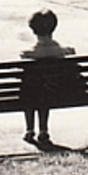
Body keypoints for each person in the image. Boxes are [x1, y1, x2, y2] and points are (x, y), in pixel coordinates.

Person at [20, 8, 78, 148]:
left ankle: (29, 130)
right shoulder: (62, 51)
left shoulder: (28, 54)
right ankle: (43, 131)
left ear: (33, 31)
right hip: (57, 93)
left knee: (31, 89)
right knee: (43, 91)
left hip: (33, 96)